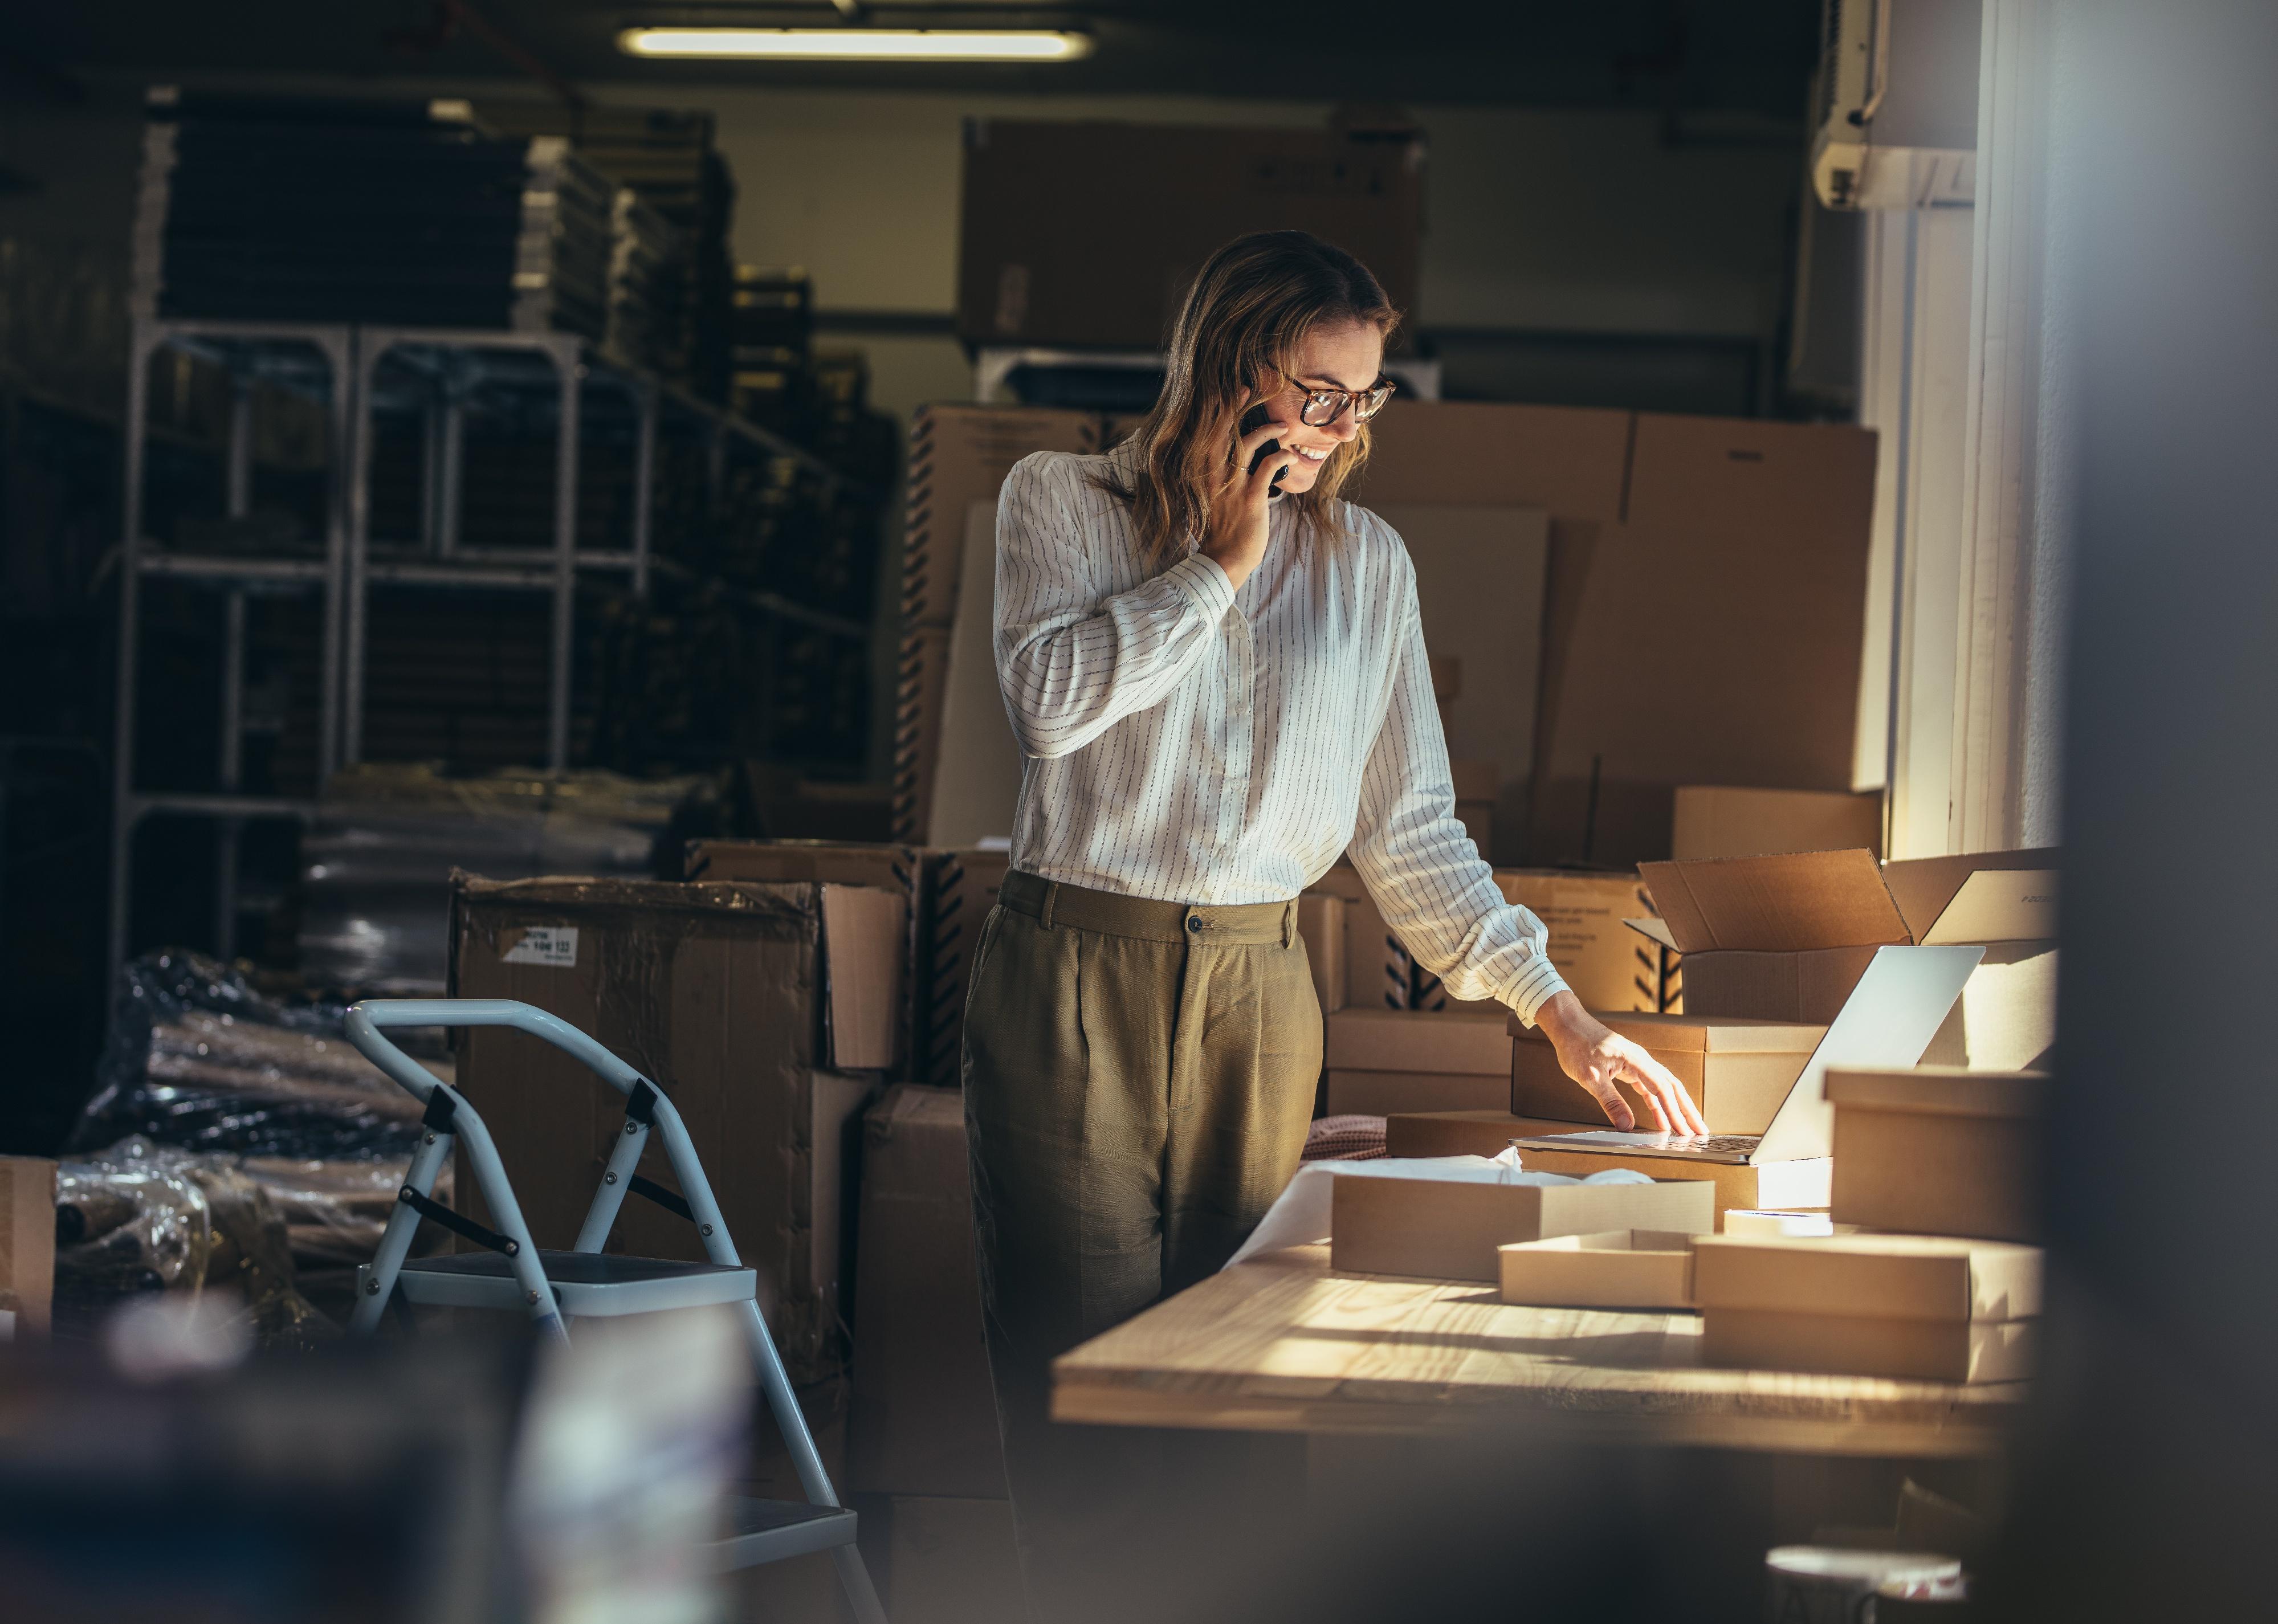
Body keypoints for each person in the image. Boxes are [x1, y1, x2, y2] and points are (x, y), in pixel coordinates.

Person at [960, 229, 1706, 1621]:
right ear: (1232, 367)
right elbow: (1048, 710)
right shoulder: (1062, 497)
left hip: (1259, 987)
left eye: (1365, 398)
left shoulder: (1367, 565)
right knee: (1082, 1375)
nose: (1343, 427)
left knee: (1245, 1377)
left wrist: (1563, 1011)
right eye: (1319, 391)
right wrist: (1220, 566)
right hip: (1076, 970)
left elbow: (1409, 828)